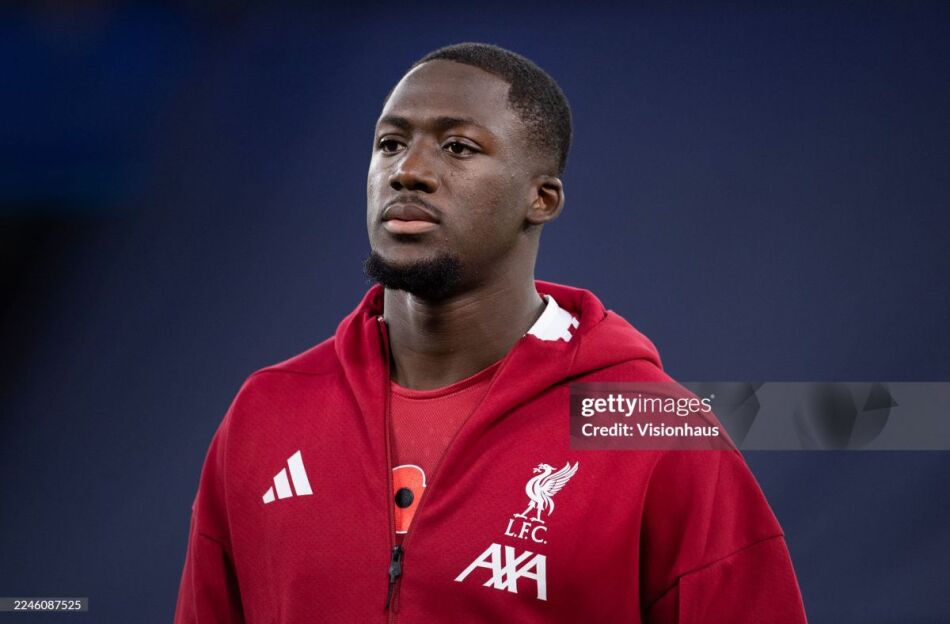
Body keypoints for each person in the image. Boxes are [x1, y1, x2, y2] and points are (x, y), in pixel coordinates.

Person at [175, 42, 807, 623]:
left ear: (542, 198)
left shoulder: (652, 430)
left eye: (458, 147)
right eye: (390, 143)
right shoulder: (268, 412)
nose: (408, 171)